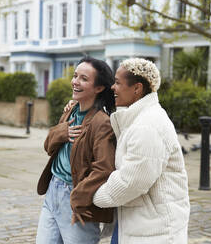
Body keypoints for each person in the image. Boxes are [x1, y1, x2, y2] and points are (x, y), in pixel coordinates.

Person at [91, 58, 190, 243]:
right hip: (136, 223)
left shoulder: (148, 125)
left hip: (155, 231)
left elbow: (132, 181)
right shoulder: (138, 119)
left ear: (137, 89)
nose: (113, 87)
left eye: (118, 83)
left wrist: (93, 195)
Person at [36, 56, 116, 244]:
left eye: (84, 79)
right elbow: (48, 147)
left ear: (99, 88)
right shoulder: (70, 110)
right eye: (75, 76)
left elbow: (104, 169)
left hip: (76, 199)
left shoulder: (102, 122)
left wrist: (78, 198)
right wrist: (61, 132)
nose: (75, 82)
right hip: (52, 193)